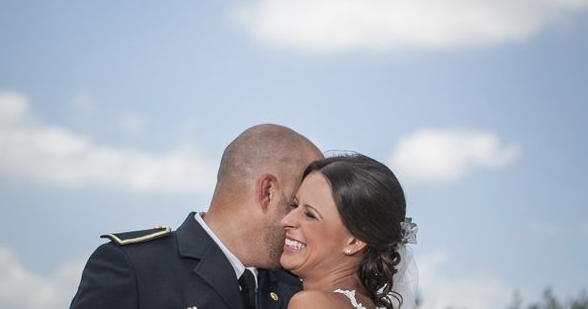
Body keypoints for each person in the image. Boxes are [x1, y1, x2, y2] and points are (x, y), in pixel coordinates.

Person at [69, 123, 322, 309]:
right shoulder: (136, 267)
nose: (303, 223)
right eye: (297, 204)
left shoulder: (300, 291)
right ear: (267, 192)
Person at [280, 154, 418, 309]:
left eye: (310, 214)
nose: (286, 221)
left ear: (355, 241)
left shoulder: (312, 304)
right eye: (295, 204)